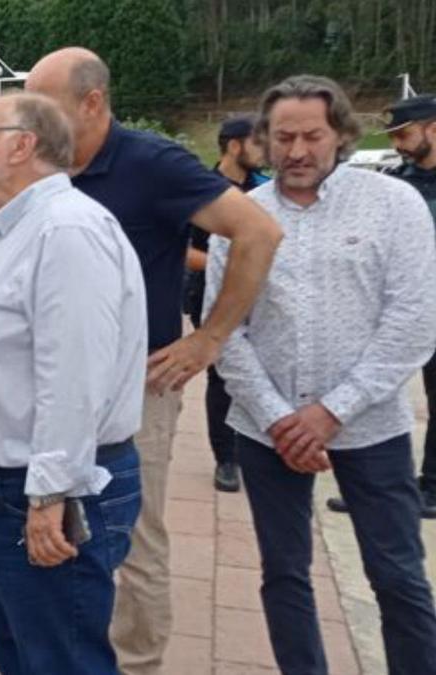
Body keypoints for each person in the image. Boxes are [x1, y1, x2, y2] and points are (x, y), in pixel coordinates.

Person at [24, 47, 283, 675]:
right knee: (49, 521)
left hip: (136, 385)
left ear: (92, 102)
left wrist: (209, 338)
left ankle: (136, 663)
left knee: (134, 536)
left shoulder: (152, 162)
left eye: (45, 105)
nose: (33, 121)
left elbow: (258, 233)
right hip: (54, 383)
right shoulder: (44, 168)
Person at [207, 74, 436, 675]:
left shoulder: (394, 205)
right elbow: (224, 329)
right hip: (266, 429)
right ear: (263, 140)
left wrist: (331, 410)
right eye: (283, 137)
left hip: (371, 428)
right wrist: (283, 418)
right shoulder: (242, 217)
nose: (298, 150)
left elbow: (413, 321)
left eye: (312, 135)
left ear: (342, 136)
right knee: (283, 575)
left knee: (399, 578)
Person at [0, 91, 147, 674]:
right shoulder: (19, 230)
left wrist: (49, 494)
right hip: (3, 485)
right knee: (23, 654)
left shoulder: (66, 232)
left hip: (47, 488)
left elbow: (75, 373)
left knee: (61, 661)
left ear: (21, 144)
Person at [329, 93, 436, 519]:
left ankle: (431, 487)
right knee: (373, 391)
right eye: (394, 136)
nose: (398, 145)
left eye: (405, 134)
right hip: (393, 310)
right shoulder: (397, 184)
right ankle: (366, 486)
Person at [183, 115, 270, 493]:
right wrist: (235, 259)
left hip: (263, 295)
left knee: (265, 368)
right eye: (257, 142)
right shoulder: (201, 189)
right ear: (234, 145)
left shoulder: (266, 189)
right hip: (212, 292)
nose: (265, 150)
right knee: (222, 375)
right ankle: (227, 458)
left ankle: (261, 446)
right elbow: (184, 250)